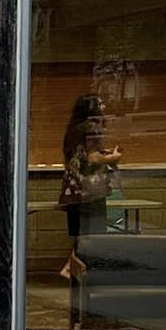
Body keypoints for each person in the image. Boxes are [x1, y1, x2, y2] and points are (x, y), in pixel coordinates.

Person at [58, 94, 121, 278]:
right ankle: (75, 270)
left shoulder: (73, 130)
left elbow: (79, 156)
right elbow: (92, 158)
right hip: (90, 190)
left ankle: (71, 268)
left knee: (81, 234)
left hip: (73, 188)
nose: (104, 106)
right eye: (100, 104)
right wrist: (113, 157)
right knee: (93, 235)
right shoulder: (92, 127)